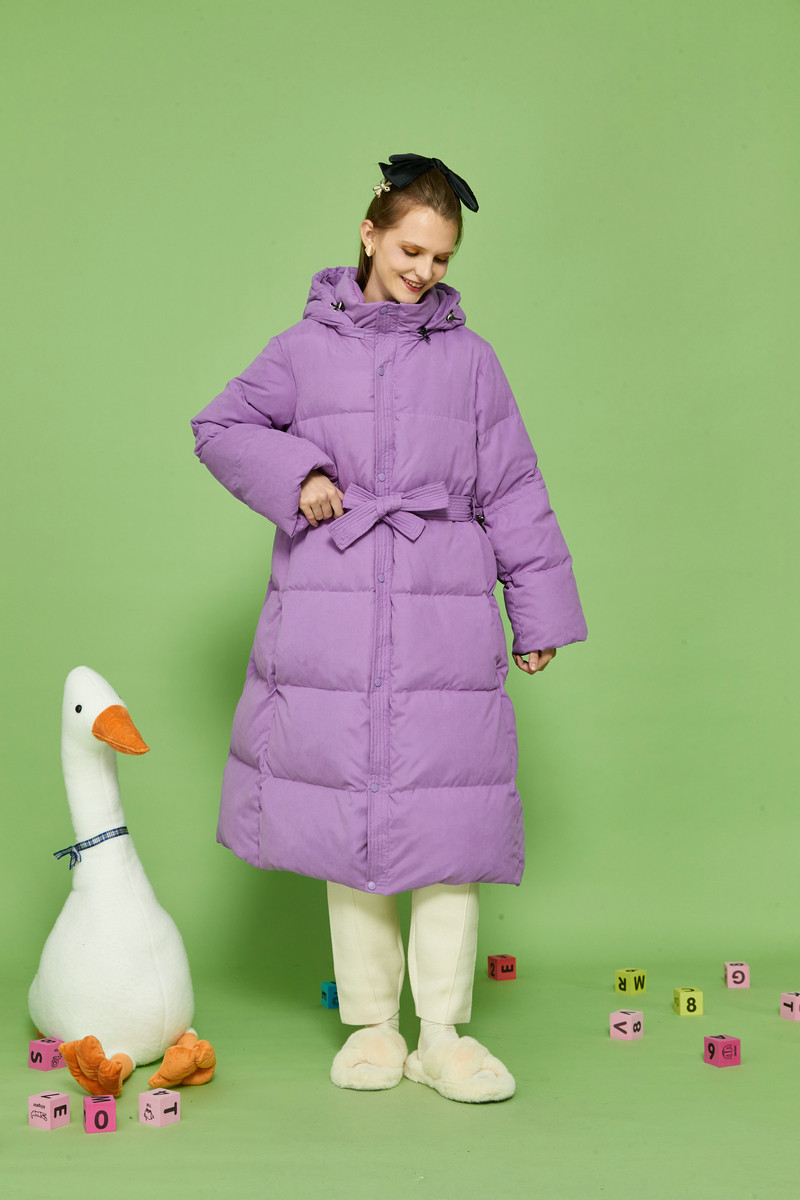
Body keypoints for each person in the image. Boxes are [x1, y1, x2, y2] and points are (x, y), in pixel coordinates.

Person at [190, 153, 588, 1104]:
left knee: (448, 824)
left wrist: (536, 612)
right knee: (351, 825)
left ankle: (443, 1034)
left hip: (444, 614)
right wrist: (299, 476)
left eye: (442, 258)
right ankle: (372, 1027)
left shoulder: (472, 361)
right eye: (411, 250)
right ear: (370, 235)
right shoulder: (302, 350)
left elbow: (514, 487)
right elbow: (222, 427)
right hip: (331, 608)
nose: (425, 271)